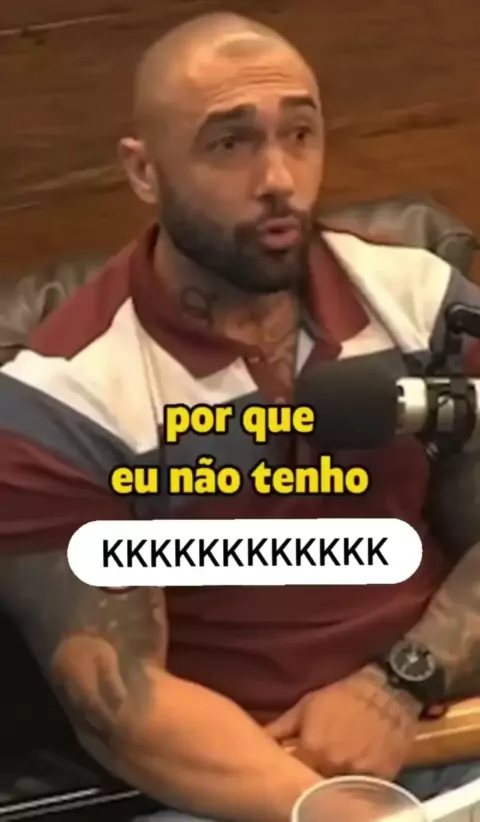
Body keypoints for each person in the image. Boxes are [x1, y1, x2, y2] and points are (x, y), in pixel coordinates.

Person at [0, 11, 479, 822]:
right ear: (144, 171)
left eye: (300, 134)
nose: (280, 178)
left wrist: (398, 682)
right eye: (230, 144)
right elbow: (122, 706)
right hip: (251, 785)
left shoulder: (421, 300)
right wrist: (337, 810)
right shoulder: (63, 399)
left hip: (449, 723)